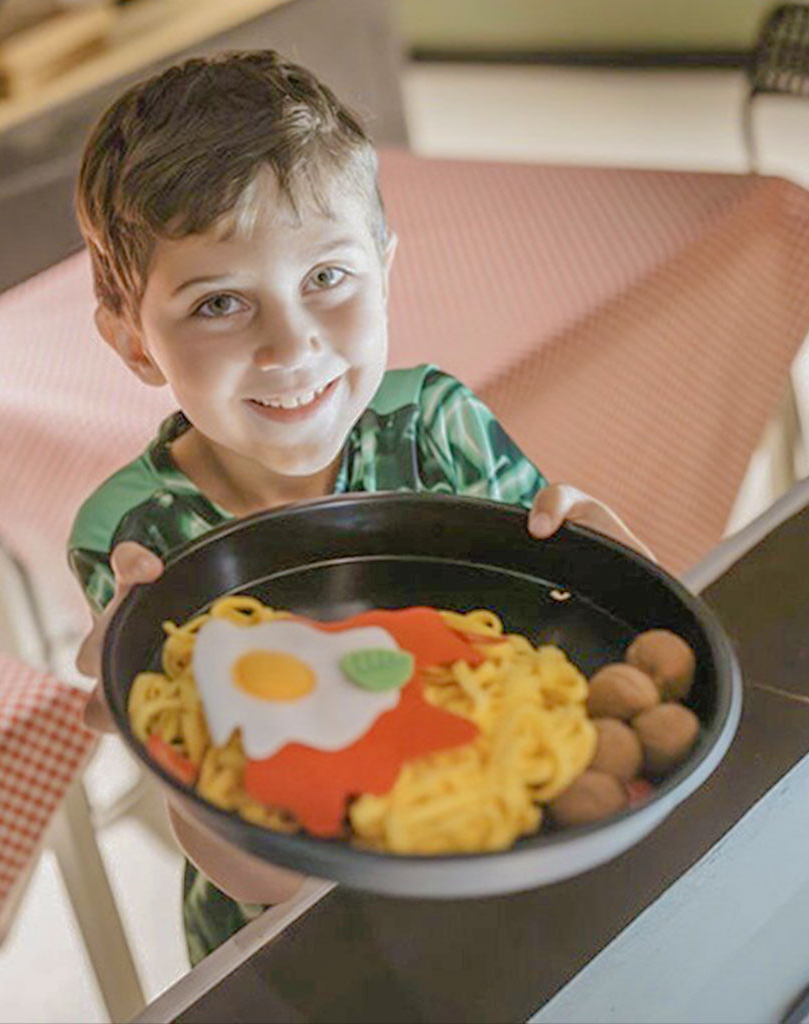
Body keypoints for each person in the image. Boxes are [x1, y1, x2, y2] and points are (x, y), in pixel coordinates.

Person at [68, 49, 653, 965]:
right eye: (219, 302)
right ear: (134, 344)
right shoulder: (137, 532)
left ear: (384, 269)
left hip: (501, 883)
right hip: (289, 939)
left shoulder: (437, 424)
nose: (289, 345)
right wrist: (140, 722)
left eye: (327, 278)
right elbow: (234, 848)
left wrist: (614, 570)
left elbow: (563, 641)